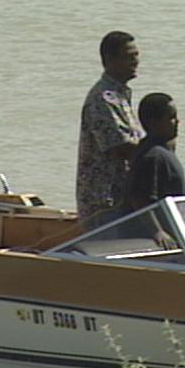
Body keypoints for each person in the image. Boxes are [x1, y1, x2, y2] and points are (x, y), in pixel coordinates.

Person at [75, 30, 144, 224]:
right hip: (105, 202)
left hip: (122, 198)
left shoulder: (120, 95)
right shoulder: (103, 98)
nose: (135, 62)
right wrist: (159, 150)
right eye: (128, 57)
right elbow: (121, 148)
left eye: (136, 56)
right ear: (109, 60)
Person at [124, 92, 185, 248]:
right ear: (154, 123)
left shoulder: (162, 150)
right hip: (163, 240)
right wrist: (157, 232)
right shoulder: (152, 156)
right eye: (171, 117)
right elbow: (139, 197)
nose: (177, 121)